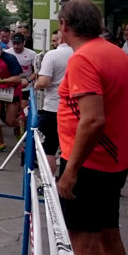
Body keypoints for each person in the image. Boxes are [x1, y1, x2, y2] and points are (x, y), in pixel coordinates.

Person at [55, 0, 128, 255]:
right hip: (115, 162)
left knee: (83, 240)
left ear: (64, 25)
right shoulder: (119, 54)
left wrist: (71, 171)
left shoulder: (83, 58)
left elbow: (92, 119)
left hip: (88, 165)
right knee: (108, 234)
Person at [34, 30, 72, 174]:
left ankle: (48, 185)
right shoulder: (80, 53)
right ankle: (66, 183)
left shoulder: (52, 55)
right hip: (76, 109)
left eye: (54, 40)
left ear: (60, 39)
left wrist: (37, 84)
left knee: (48, 148)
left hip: (53, 107)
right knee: (69, 149)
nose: (53, 42)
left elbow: (44, 81)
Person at [0, 38, 23, 153]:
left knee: (10, 121)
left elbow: (18, 78)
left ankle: (19, 124)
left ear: (0, 48)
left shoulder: (9, 59)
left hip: (12, 90)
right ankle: (1, 142)